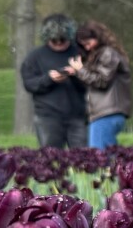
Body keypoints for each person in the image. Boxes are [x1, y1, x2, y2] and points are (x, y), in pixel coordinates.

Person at [20, 13, 88, 149]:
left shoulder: (80, 54)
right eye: (54, 40)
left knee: (84, 156)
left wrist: (76, 74)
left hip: (78, 116)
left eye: (62, 40)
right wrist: (49, 78)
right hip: (48, 117)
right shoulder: (34, 57)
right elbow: (30, 84)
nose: (59, 43)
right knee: (50, 155)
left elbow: (91, 83)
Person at [68, 20, 132, 150]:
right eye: (84, 45)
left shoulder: (108, 53)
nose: (87, 48)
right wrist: (77, 72)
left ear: (98, 37)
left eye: (88, 43)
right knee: (108, 155)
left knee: (99, 156)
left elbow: (101, 81)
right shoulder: (104, 54)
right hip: (106, 112)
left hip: (106, 113)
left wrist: (80, 70)